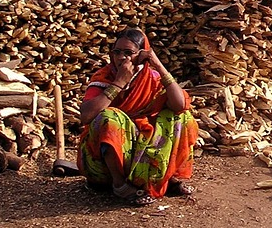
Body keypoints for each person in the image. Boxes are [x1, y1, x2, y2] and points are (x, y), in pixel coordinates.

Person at [78, 26, 199, 206]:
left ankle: (166, 176)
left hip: (144, 145)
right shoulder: (105, 76)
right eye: (117, 52)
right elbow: (86, 116)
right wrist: (118, 83)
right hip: (106, 160)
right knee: (109, 118)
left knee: (183, 117)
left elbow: (179, 104)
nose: (121, 58)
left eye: (129, 53)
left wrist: (158, 64)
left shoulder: (151, 77)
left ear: (142, 54)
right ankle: (120, 185)